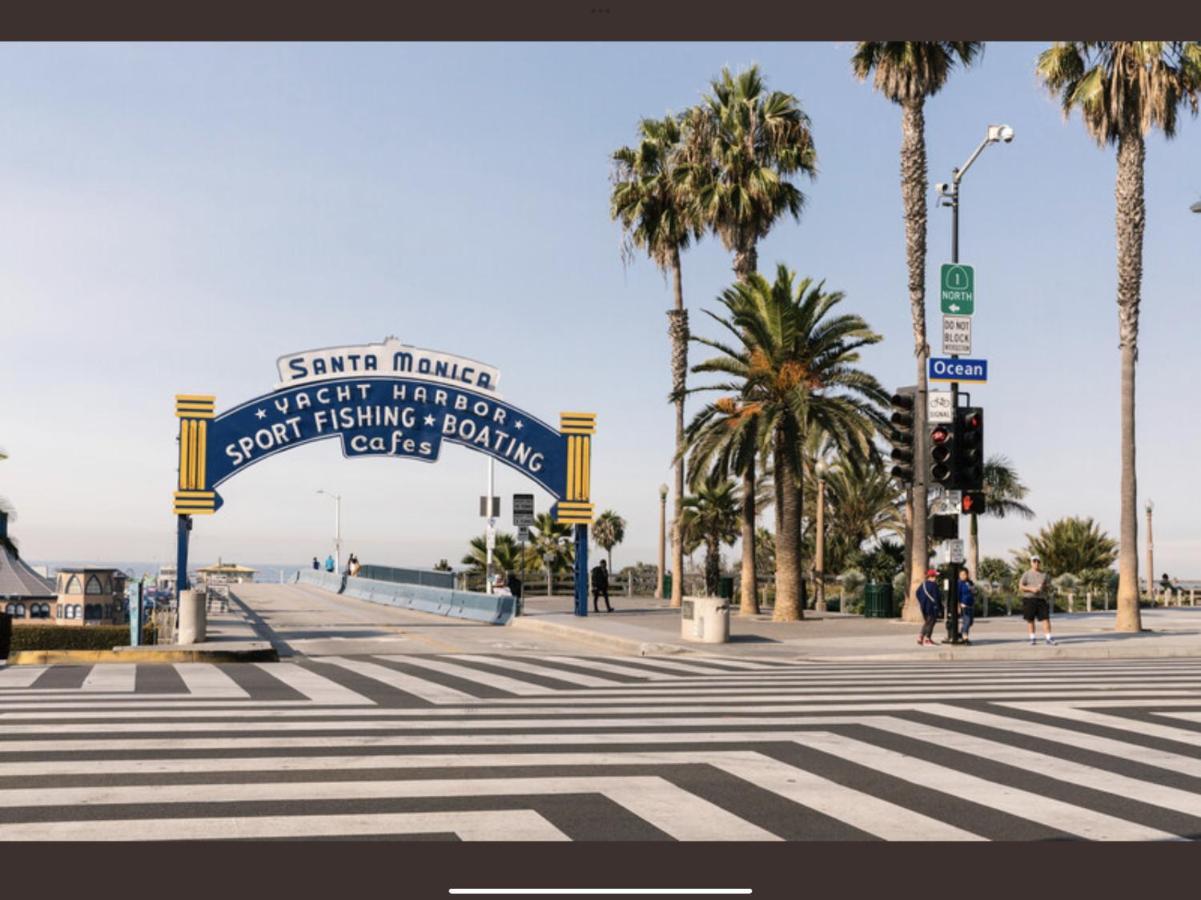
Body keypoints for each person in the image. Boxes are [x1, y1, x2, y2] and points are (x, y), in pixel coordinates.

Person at [1019, 555, 1055, 645]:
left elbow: (1049, 586)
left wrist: (1044, 586)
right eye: (1034, 561)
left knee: (1046, 619)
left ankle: (1049, 638)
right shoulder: (1026, 574)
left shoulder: (1044, 575)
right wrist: (1031, 589)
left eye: (1038, 561)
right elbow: (1021, 586)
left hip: (1041, 599)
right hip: (1029, 599)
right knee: (1030, 620)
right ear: (1031, 563)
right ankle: (1032, 638)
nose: (1036, 563)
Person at [916, 568, 943, 646]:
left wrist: (922, 601)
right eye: (935, 576)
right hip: (932, 607)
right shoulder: (934, 585)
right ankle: (927, 639)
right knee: (931, 623)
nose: (936, 578)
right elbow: (937, 597)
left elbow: (917, 593)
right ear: (931, 576)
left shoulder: (923, 584)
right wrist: (940, 608)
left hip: (923, 607)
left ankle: (920, 637)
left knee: (927, 622)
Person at [958, 569, 977, 645]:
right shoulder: (959, 583)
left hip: (971, 604)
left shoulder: (970, 582)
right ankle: (965, 637)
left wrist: (974, 591)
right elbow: (957, 595)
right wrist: (959, 605)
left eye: (965, 574)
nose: (963, 576)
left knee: (970, 622)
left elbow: (974, 591)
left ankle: (961, 633)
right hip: (963, 605)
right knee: (967, 620)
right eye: (961, 574)